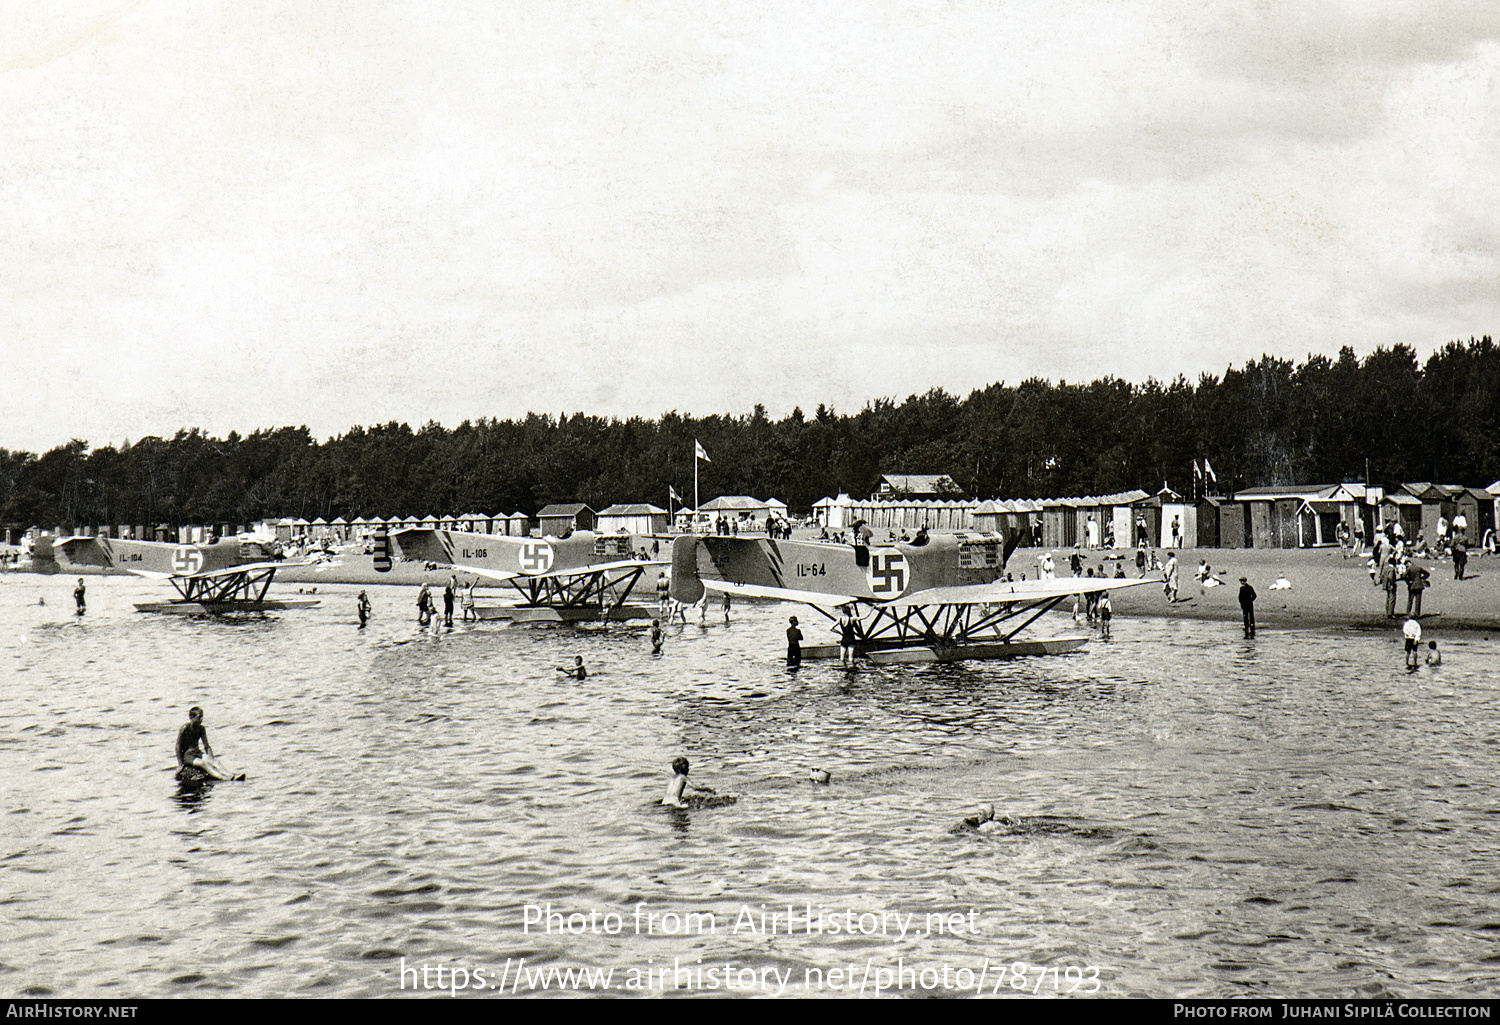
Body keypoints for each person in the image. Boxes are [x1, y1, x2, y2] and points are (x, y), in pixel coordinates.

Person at [176, 706, 232, 781]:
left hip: (197, 752)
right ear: (191, 717)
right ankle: (224, 778)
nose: (201, 719)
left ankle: (230, 775)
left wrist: (212, 759)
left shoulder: (201, 728)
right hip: (188, 756)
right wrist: (180, 764)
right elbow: (178, 746)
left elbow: (207, 746)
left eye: (202, 717)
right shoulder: (185, 728)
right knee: (203, 763)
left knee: (215, 762)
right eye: (199, 717)